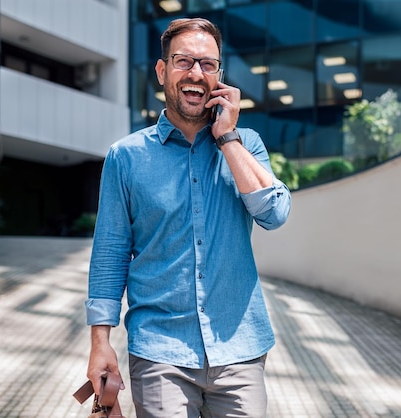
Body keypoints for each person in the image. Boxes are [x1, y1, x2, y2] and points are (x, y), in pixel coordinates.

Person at [85, 17, 291, 418]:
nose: (197, 73)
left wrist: (228, 139)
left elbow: (275, 214)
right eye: (184, 61)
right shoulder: (126, 157)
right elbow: (110, 253)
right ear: (163, 71)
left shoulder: (247, 145)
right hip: (160, 352)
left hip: (240, 350)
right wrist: (100, 342)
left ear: (220, 78)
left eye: (208, 64)